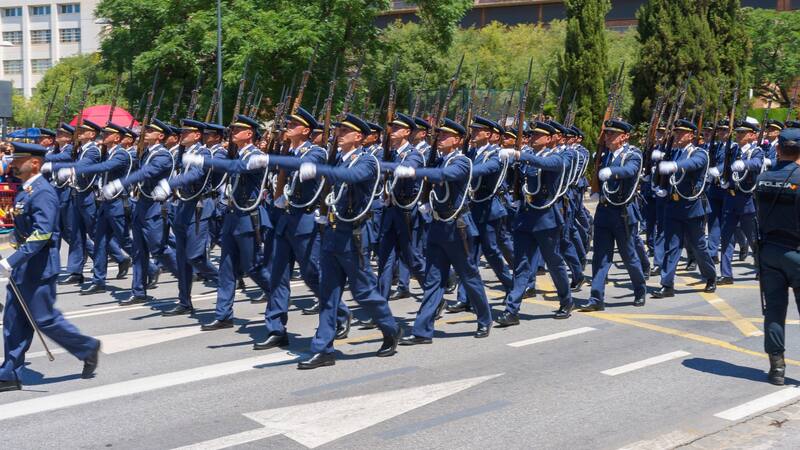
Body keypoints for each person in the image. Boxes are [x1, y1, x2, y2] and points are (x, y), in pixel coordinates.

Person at [294, 113, 402, 368]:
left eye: (345, 131)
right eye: (338, 130)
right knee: (327, 292)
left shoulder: (368, 161)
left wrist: (319, 169)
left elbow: (352, 178)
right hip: (331, 232)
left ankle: (390, 328)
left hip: (353, 236)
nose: (339, 134)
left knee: (363, 291)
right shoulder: (339, 160)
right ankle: (323, 348)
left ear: (359, 138)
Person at [0, 141, 100, 393]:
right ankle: (10, 372)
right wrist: (15, 240)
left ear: (34, 163)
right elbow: (27, 226)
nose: (12, 163)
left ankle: (87, 347)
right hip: (24, 265)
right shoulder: (26, 190)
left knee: (44, 319)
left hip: (39, 267)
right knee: (13, 319)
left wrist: (11, 260)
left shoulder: (43, 191)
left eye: (18, 159)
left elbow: (43, 233)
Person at [395, 118, 493, 344]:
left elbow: (443, 176)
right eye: (438, 135)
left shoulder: (462, 162)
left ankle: (484, 318)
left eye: (444, 135)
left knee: (469, 277)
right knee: (433, 279)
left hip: (457, 228)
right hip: (438, 226)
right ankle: (422, 330)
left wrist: (414, 172)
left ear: (457, 140)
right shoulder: (438, 160)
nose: (439, 138)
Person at [151, 119, 220, 315]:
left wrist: (170, 184)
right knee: (182, 258)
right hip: (182, 206)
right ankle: (184, 301)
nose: (181, 135)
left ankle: (224, 283)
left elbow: (196, 175)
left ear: (197, 135)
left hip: (198, 207)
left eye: (186, 132)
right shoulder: (182, 153)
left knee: (195, 256)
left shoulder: (204, 153)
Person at [579, 119, 647, 311]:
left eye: (612, 134)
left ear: (624, 137)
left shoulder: (633, 153)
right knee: (601, 257)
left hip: (623, 212)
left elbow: (631, 170)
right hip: (604, 211)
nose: (607, 137)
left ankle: (640, 289)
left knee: (629, 256)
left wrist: (612, 171)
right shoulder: (604, 155)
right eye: (606, 133)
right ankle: (596, 298)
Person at [754, 127, 800, 386]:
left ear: (778, 149)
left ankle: (777, 368)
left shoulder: (763, 178)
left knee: (773, 311)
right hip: (796, 251)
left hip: (769, 251)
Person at [652, 119, 717, 298]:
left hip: (692, 207)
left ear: (691, 135)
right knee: (671, 246)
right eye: (677, 132)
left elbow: (693, 164)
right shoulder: (672, 153)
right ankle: (667, 284)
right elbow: (664, 177)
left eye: (682, 133)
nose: (678, 136)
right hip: (673, 206)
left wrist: (675, 166)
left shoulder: (699, 153)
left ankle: (710, 276)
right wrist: (661, 188)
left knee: (699, 247)